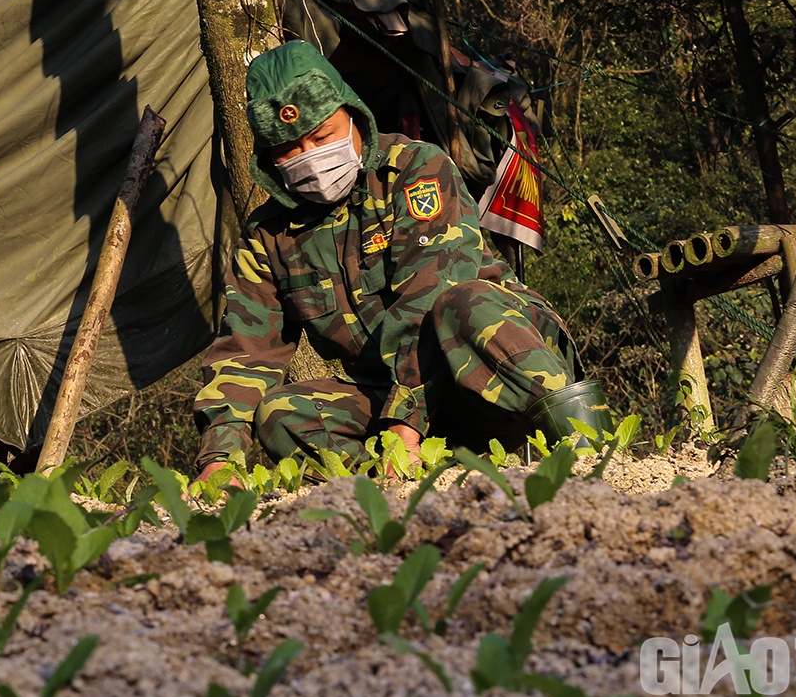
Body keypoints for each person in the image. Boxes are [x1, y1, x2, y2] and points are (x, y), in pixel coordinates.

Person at [193, 40, 609, 480]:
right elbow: (245, 351)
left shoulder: (416, 169)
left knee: (464, 303)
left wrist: (403, 422)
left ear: (352, 112)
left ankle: (591, 453)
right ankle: (406, 490)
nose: (309, 156)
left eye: (321, 137)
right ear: (268, 158)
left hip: (497, 371)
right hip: (404, 400)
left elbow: (431, 292)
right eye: (289, 150)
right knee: (283, 414)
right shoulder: (268, 235)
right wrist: (219, 460)